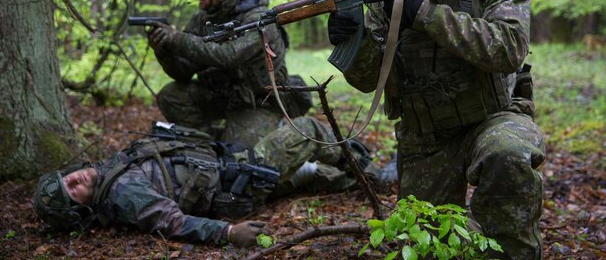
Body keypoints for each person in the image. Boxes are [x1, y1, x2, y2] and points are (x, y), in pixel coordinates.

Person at [327, 0, 545, 260]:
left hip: (491, 119)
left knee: (507, 155)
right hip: (424, 137)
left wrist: (423, 13)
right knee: (427, 246)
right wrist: (355, 41)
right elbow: (370, 82)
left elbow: (507, 48)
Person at [34, 117, 380, 248]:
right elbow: (172, 221)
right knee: (310, 130)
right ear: (82, 210)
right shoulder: (125, 194)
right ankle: (367, 168)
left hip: (232, 168)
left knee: (310, 177)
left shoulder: (111, 171)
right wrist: (227, 233)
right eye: (72, 191)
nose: (74, 179)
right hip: (239, 178)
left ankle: (362, 180)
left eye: (66, 178)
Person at [147, 0, 311, 146]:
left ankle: (267, 131)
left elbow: (228, 55)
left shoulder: (258, 20)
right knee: (171, 95)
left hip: (258, 104)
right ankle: (204, 143)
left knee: (243, 158)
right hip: (220, 97)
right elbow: (183, 73)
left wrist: (177, 38)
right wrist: (164, 51)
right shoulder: (202, 20)